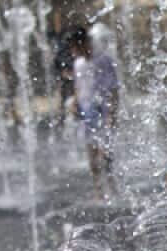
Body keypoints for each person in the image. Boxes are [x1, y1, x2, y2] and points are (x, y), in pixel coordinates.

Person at [69, 28, 120, 199]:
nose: (72, 51)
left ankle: (113, 188)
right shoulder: (78, 63)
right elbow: (78, 86)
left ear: (83, 43)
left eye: (74, 47)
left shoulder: (103, 60)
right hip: (87, 113)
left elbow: (113, 88)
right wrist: (75, 102)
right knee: (91, 154)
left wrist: (112, 113)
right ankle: (98, 190)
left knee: (106, 155)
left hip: (103, 112)